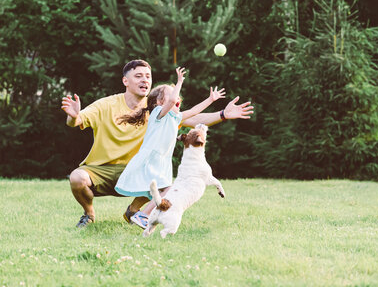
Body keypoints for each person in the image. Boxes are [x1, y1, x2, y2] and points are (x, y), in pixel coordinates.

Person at [61, 59, 253, 228]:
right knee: (77, 178)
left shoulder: (158, 109)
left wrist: (223, 115)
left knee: (162, 181)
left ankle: (134, 212)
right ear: (125, 81)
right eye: (138, 76)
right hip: (102, 169)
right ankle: (89, 214)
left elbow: (192, 117)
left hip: (138, 170)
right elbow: (77, 121)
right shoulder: (108, 105)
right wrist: (73, 115)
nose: (144, 79)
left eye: (147, 76)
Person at [114, 66, 224, 227]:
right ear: (159, 102)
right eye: (171, 93)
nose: (176, 96)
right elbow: (172, 101)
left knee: (166, 190)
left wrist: (211, 99)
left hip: (161, 161)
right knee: (167, 190)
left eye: (177, 94)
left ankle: (142, 215)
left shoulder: (175, 117)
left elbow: (193, 111)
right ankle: (141, 215)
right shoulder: (158, 114)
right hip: (151, 159)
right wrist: (179, 81)